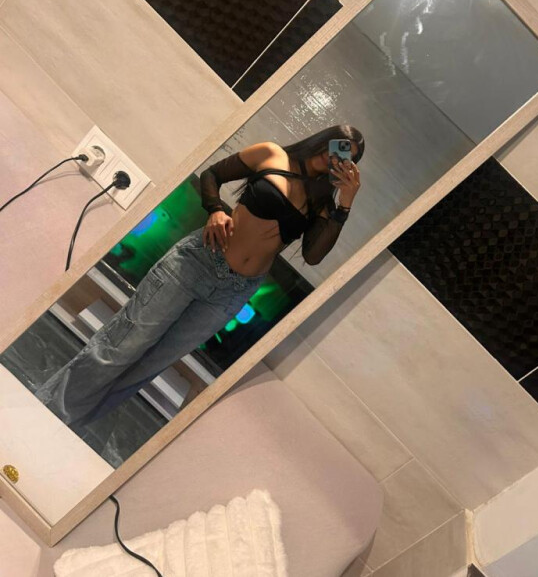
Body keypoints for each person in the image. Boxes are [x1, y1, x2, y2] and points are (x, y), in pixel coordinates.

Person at [35, 124, 364, 429]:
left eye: (347, 156)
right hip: (199, 261)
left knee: (147, 368)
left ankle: (69, 428)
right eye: (337, 146)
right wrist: (216, 209)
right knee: (121, 347)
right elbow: (212, 174)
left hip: (234, 292)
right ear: (325, 138)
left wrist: (345, 204)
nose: (335, 156)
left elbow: (313, 255)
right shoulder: (272, 154)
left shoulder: (322, 204)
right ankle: (46, 416)